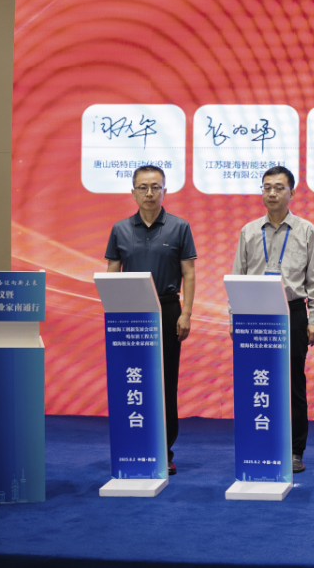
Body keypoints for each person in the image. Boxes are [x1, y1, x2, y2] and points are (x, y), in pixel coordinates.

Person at [104, 165, 196, 476]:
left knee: (165, 382)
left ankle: (164, 450)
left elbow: (189, 274)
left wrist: (186, 313)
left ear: (165, 191)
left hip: (167, 310)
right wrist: (113, 311)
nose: (149, 193)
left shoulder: (179, 227)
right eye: (142, 187)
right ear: (132, 192)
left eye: (155, 187)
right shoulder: (120, 229)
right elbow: (111, 272)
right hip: (129, 314)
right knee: (131, 379)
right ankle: (133, 446)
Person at [232, 166, 314, 474]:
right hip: (254, 315)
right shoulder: (248, 231)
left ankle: (295, 450)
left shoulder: (306, 230)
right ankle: (259, 442)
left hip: (292, 313)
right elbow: (237, 276)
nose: (271, 193)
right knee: (256, 381)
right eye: (267, 187)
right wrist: (234, 318)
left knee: (293, 383)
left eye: (278, 188)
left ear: (292, 192)